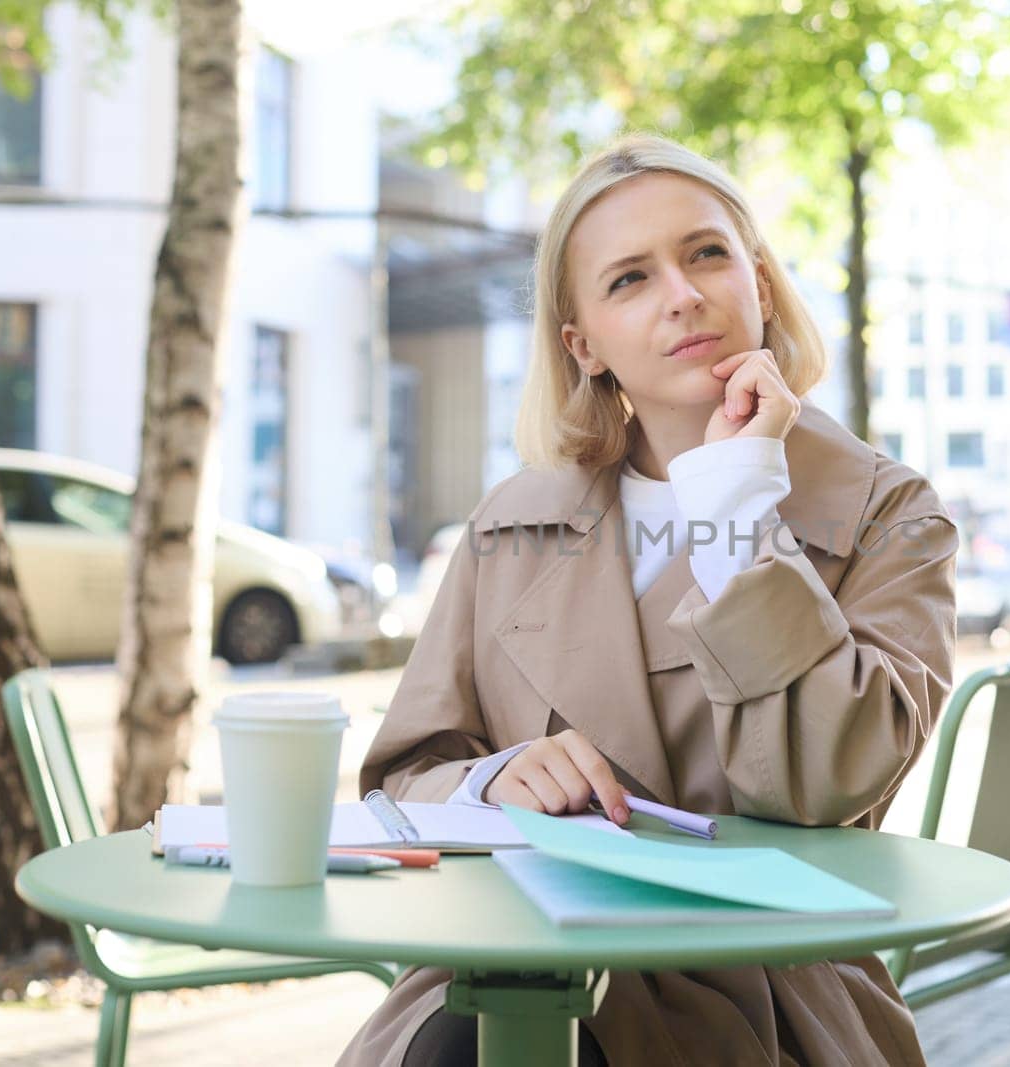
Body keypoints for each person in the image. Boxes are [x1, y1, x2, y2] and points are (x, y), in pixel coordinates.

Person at [340, 133, 959, 1067]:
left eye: (706, 253)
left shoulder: (886, 510)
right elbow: (405, 776)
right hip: (510, 964)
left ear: (756, 277)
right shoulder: (513, 521)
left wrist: (737, 501)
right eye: (629, 278)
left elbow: (833, 779)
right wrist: (492, 780)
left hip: (765, 984)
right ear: (582, 344)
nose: (683, 293)